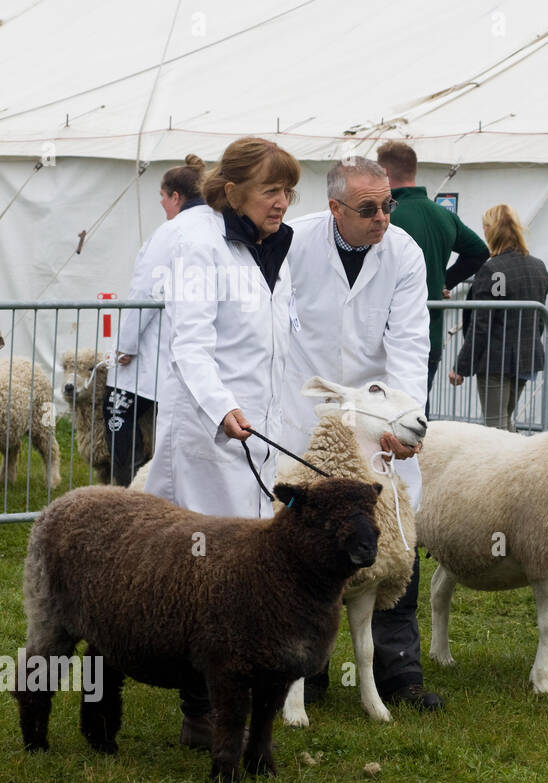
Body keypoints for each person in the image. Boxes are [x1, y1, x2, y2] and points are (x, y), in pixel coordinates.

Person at [143, 136, 300, 748]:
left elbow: (274, 343)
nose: (282, 201)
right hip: (212, 431)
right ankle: (198, 712)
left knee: (250, 570)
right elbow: (190, 343)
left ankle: (244, 706)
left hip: (261, 431)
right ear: (232, 189)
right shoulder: (198, 242)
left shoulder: (272, 246)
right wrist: (223, 407)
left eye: (289, 191)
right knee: (209, 574)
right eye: (270, 190)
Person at [282, 156, 442, 713]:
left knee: (392, 534)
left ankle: (402, 674)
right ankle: (308, 668)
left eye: (388, 205)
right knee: (311, 537)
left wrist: (404, 422)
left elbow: (409, 342)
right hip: (310, 412)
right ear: (334, 208)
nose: (382, 218)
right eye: (368, 208)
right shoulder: (294, 243)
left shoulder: (404, 253)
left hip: (379, 416)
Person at [106, 154, 208, 486]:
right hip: (198, 350)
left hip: (156, 351)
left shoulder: (172, 231)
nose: (162, 204)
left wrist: (125, 344)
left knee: (119, 418)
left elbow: (147, 291)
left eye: (163, 197)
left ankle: (126, 495)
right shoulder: (219, 224)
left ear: (176, 196)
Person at [375, 141, 489, 412]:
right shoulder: (443, 215)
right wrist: (444, 281)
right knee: (416, 411)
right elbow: (479, 252)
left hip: (387, 333)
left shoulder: (382, 216)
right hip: (430, 333)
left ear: (384, 173)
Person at [449, 204, 548, 431]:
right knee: (505, 421)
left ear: (490, 230)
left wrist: (461, 366)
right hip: (527, 358)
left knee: (495, 428)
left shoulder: (491, 269)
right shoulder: (539, 267)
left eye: (485, 227)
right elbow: (540, 321)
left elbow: (481, 325)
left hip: (495, 361)